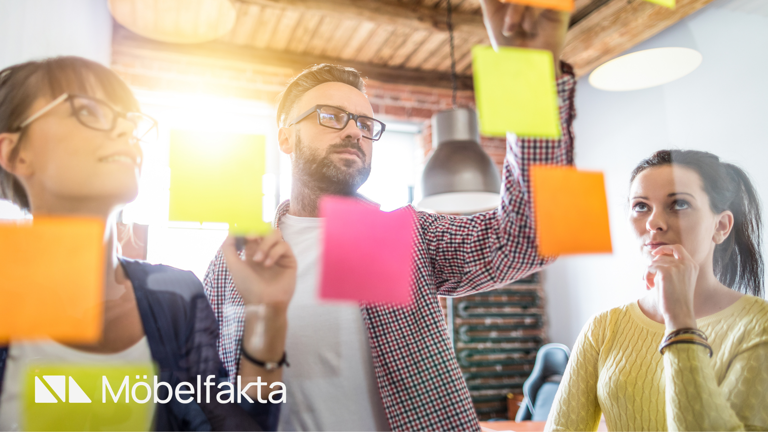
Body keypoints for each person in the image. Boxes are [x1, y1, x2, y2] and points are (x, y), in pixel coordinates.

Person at [202, 2, 576, 430]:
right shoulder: (236, 261)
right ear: (286, 138)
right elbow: (210, 392)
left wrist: (530, 77)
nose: (354, 131)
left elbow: (532, 237)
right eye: (332, 116)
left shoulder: (399, 236)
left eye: (365, 124)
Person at [0, 56, 295, 431]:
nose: (126, 129)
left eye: (129, 119)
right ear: (15, 153)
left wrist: (268, 313)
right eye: (87, 110)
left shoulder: (177, 297)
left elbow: (237, 426)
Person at [546, 150, 768, 431]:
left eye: (679, 204)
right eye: (641, 206)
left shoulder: (759, 325)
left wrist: (680, 321)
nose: (653, 223)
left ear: (721, 226)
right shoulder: (603, 327)